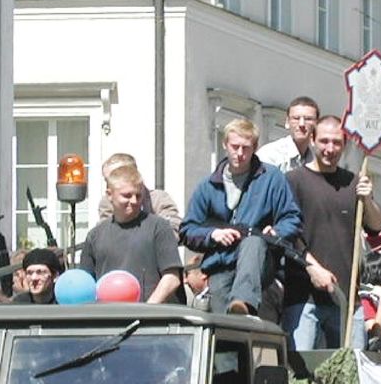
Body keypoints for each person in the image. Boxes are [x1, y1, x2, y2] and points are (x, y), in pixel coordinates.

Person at [180, 118, 301, 316]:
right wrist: (213, 235)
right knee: (223, 322)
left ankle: (243, 302)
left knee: (253, 242)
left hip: (260, 261)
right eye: (235, 147)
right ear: (225, 144)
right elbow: (187, 230)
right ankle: (234, 321)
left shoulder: (271, 178)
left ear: (254, 147)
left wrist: (277, 231)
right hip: (221, 262)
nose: (240, 154)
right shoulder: (208, 186)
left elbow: (292, 218)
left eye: (246, 148)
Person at [284, 116, 381, 350]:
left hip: (348, 299)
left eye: (337, 143)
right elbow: (287, 236)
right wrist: (313, 267)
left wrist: (367, 199)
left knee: (349, 376)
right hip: (304, 298)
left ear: (345, 144)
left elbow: (377, 226)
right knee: (303, 376)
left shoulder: (352, 183)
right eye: (324, 141)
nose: (330, 149)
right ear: (312, 140)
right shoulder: (293, 181)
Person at [80, 166, 183, 304]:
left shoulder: (159, 227)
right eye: (127, 195)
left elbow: (171, 278)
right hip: (108, 317)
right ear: (109, 195)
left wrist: (147, 310)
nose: (134, 201)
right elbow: (85, 285)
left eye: (138, 195)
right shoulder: (95, 235)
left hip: (152, 319)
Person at [97, 153, 182, 234]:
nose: (109, 185)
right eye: (106, 180)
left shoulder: (158, 199)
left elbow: (174, 229)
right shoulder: (107, 202)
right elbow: (105, 233)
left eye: (115, 177)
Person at [257, 96, 319, 173]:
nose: (301, 124)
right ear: (287, 122)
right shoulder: (270, 155)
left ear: (317, 124)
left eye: (308, 119)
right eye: (296, 118)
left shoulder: (317, 162)